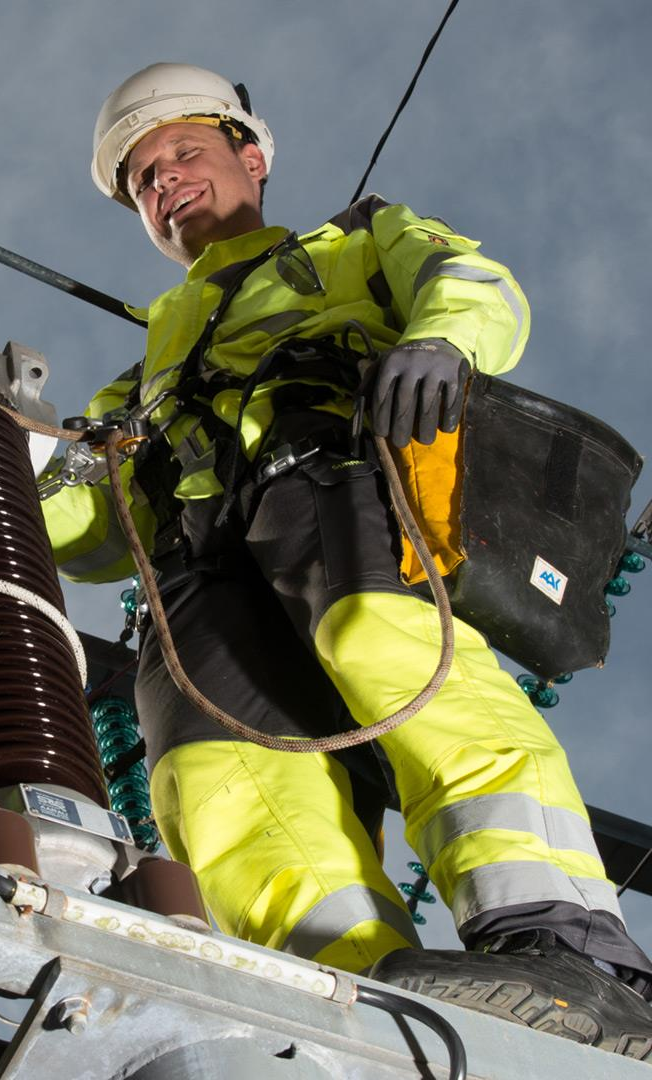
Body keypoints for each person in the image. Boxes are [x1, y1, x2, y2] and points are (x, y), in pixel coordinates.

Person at [40, 62, 652, 1055]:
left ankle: (570, 950)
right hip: (197, 576)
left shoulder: (354, 245)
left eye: (183, 153)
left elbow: (473, 286)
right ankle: (351, 1003)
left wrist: (445, 343)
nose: (165, 181)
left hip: (333, 483)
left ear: (252, 155)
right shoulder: (139, 380)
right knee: (218, 775)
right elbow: (92, 537)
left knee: (392, 651)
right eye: (144, 177)